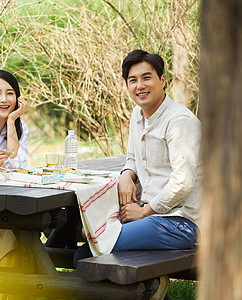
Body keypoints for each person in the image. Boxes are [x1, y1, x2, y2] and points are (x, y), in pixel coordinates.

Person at [74, 50, 202, 266]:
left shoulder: (179, 121)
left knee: (89, 253)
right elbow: (132, 158)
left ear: (162, 80)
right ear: (127, 86)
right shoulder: (137, 114)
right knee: (85, 229)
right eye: (133, 80)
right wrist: (126, 175)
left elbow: (182, 183)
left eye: (147, 77)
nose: (140, 86)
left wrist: (144, 212)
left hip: (179, 222)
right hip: (151, 215)